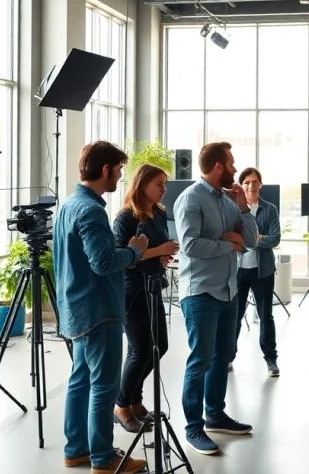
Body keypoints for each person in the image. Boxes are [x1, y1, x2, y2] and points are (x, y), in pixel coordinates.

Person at [54, 141, 149, 474]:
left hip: (77, 309)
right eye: (119, 169)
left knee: (81, 381)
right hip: (99, 311)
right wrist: (135, 250)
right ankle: (104, 459)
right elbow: (104, 261)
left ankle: (76, 450)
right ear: (106, 169)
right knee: (104, 386)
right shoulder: (92, 210)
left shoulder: (69, 203)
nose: (121, 176)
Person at [174, 142, 259, 456]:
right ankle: (193, 428)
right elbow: (190, 245)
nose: (236, 169)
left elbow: (250, 240)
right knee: (201, 360)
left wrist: (244, 210)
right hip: (201, 293)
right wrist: (229, 246)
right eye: (232, 164)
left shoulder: (229, 200)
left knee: (224, 355)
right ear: (219, 166)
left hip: (229, 290)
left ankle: (215, 414)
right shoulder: (190, 200)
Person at [111, 165, 181, 433]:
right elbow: (121, 258)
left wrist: (161, 256)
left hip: (152, 286)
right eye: (159, 184)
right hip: (132, 290)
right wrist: (158, 250)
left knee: (158, 346)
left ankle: (135, 401)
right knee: (140, 350)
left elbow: (154, 250)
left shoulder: (160, 214)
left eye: (164, 184)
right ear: (142, 185)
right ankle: (121, 405)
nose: (164, 189)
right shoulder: (126, 218)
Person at [235, 167, 283, 377]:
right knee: (234, 316)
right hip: (237, 269)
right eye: (246, 182)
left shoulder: (269, 209)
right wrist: (258, 238)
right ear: (241, 185)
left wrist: (254, 239)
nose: (251, 186)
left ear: (260, 184)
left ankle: (270, 359)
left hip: (262, 270)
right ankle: (227, 357)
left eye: (254, 181)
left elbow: (275, 238)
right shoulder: (232, 207)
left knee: (266, 316)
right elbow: (228, 235)